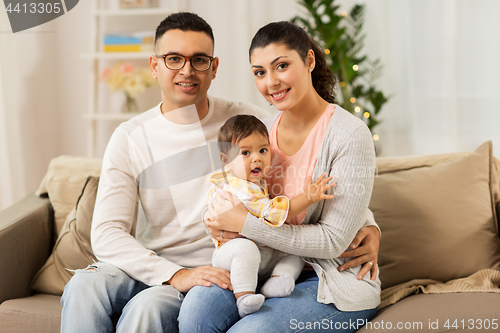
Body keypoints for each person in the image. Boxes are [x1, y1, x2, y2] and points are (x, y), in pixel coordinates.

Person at [60, 12, 380, 333]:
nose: (187, 70)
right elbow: (107, 233)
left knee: (147, 310)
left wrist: (369, 225)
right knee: (82, 287)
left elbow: (309, 174)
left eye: (199, 60)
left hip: (224, 264)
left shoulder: (246, 122)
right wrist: (172, 274)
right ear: (154, 66)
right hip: (158, 265)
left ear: (214, 68)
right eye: (173, 59)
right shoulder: (130, 136)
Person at [180, 21, 381, 333]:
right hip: (261, 266)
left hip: (328, 276)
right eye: (260, 72)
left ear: (309, 61)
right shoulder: (261, 132)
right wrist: (215, 217)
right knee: (196, 312)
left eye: (282, 66)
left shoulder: (349, 135)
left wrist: (243, 224)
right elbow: (233, 191)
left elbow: (332, 240)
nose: (270, 82)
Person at [209, 114, 335, 318]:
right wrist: (307, 198)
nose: (257, 158)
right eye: (245, 152)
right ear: (226, 161)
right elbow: (274, 213)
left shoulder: (249, 181)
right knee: (246, 248)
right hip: (231, 254)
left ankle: (275, 281)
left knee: (295, 253)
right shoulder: (240, 188)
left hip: (262, 253)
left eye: (263, 150)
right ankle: (244, 297)